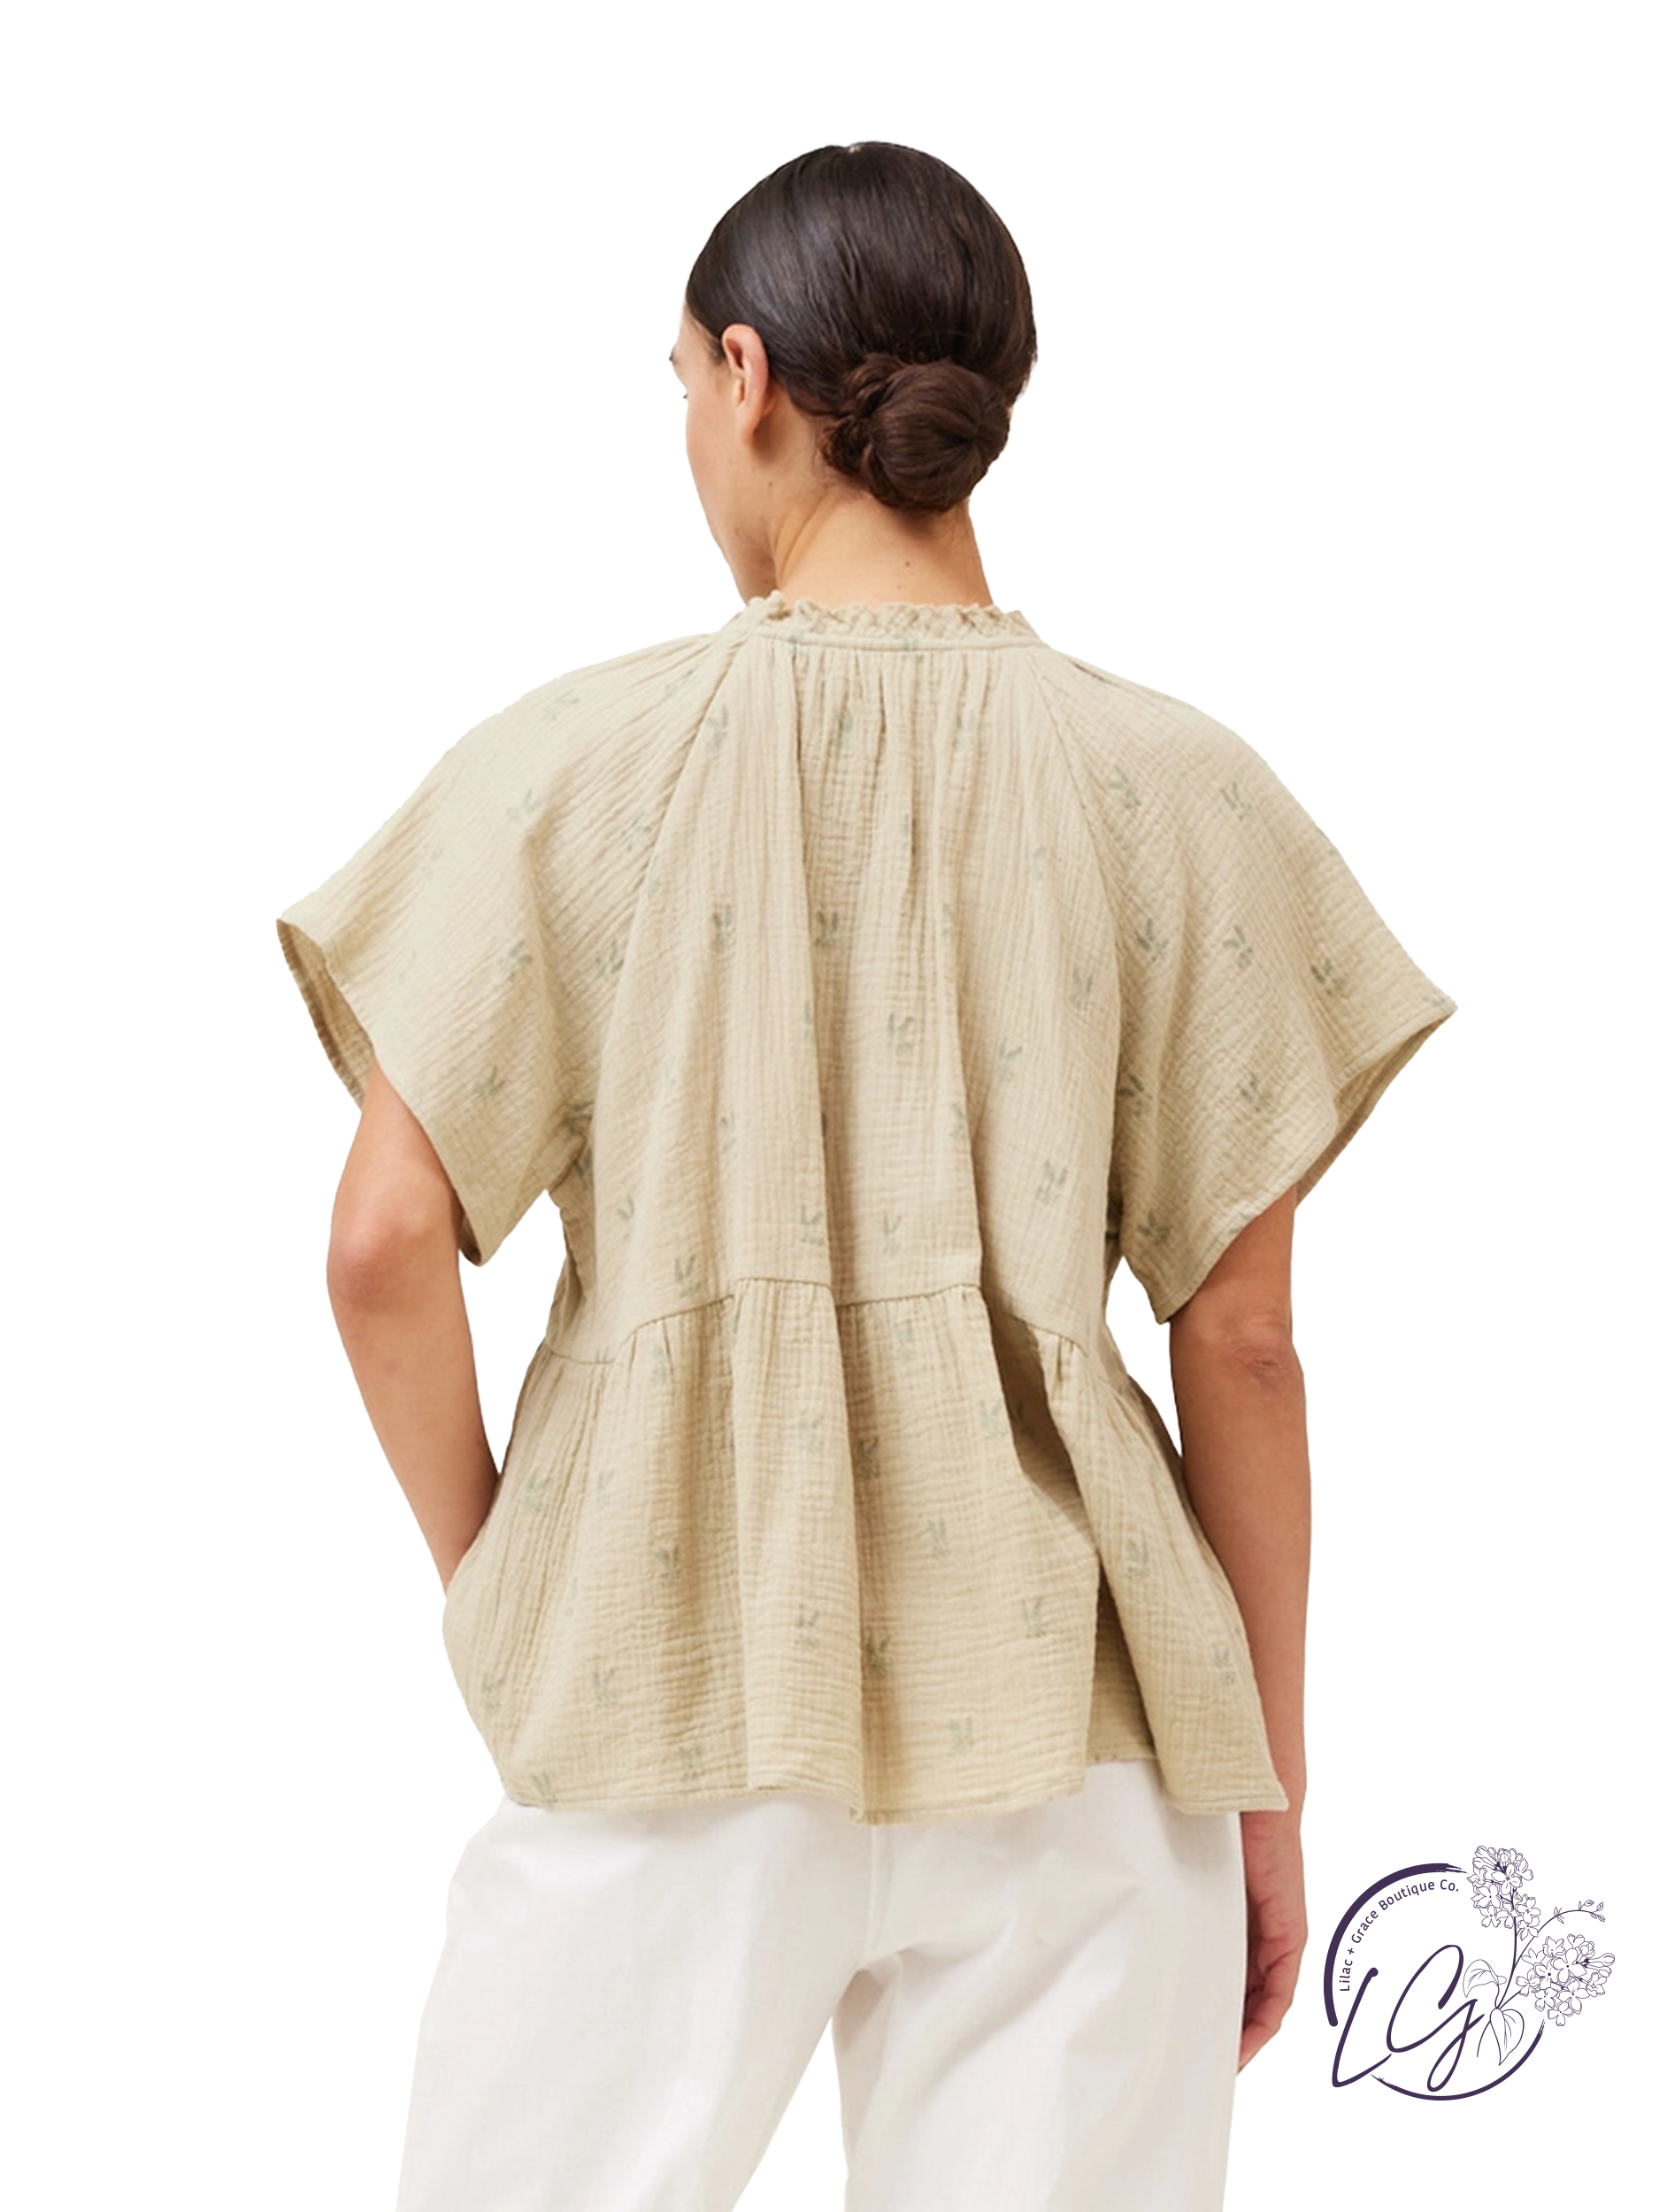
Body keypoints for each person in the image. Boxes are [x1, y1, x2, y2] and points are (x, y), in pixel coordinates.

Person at [276, 142, 1456, 2211]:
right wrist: (1262, 1775)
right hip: (1085, 1719)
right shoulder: (1177, 790)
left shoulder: (574, 766)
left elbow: (380, 1243)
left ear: (748, 379)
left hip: (670, 1690)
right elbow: (1247, 1344)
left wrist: (510, 1578)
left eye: (679, 385)